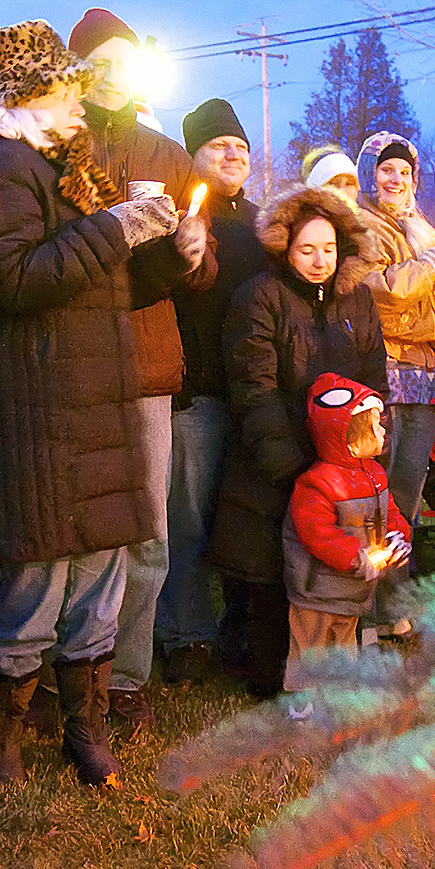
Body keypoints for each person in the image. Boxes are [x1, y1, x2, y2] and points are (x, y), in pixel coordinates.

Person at [0, 21, 199, 788]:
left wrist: (171, 258)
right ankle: (3, 732)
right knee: (36, 576)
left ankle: (87, 723)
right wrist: (115, 228)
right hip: (31, 406)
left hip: (94, 397)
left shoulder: (73, 169)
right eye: (65, 89)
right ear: (23, 97)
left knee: (103, 571)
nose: (81, 104)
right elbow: (15, 278)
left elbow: (102, 286)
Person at [68, 9, 213, 725]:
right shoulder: (53, 143)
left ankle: (125, 675)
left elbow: (204, 261)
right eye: (106, 59)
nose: (119, 72)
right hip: (70, 358)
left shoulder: (164, 150)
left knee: (148, 528)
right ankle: (63, 672)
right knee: (73, 524)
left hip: (149, 361)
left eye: (130, 60)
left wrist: (192, 252)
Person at [208, 188, 388, 695]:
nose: (319, 260)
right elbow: (253, 386)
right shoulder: (260, 296)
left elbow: (374, 374)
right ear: (286, 247)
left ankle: (333, 664)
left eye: (328, 249)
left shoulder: (357, 298)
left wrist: (366, 445)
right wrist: (291, 466)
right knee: (270, 568)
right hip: (276, 460)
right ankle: (262, 667)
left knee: (333, 564)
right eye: (307, 249)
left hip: (341, 460)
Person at [158, 98, 267, 682]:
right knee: (188, 520)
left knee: (240, 517)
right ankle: (185, 634)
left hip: (249, 395)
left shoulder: (262, 223)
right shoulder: (178, 215)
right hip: (195, 391)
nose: (232, 153)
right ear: (193, 154)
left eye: (241, 146)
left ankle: (236, 628)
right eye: (218, 144)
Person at [342, 131, 435, 548]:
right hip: (387, 365)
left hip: (425, 370)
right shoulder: (360, 226)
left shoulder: (420, 227)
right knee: (379, 485)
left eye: (405, 171)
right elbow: (384, 293)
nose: (397, 180)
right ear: (369, 174)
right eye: (386, 170)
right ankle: (367, 597)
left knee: (409, 496)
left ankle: (396, 593)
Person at [282, 375, 409, 688]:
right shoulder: (317, 483)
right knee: (310, 648)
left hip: (352, 590)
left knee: (344, 648)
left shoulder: (375, 474)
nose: (383, 431)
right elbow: (318, 535)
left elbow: (389, 513)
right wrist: (357, 556)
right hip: (317, 591)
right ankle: (304, 705)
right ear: (349, 437)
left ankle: (339, 700)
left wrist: (397, 536)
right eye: (375, 426)